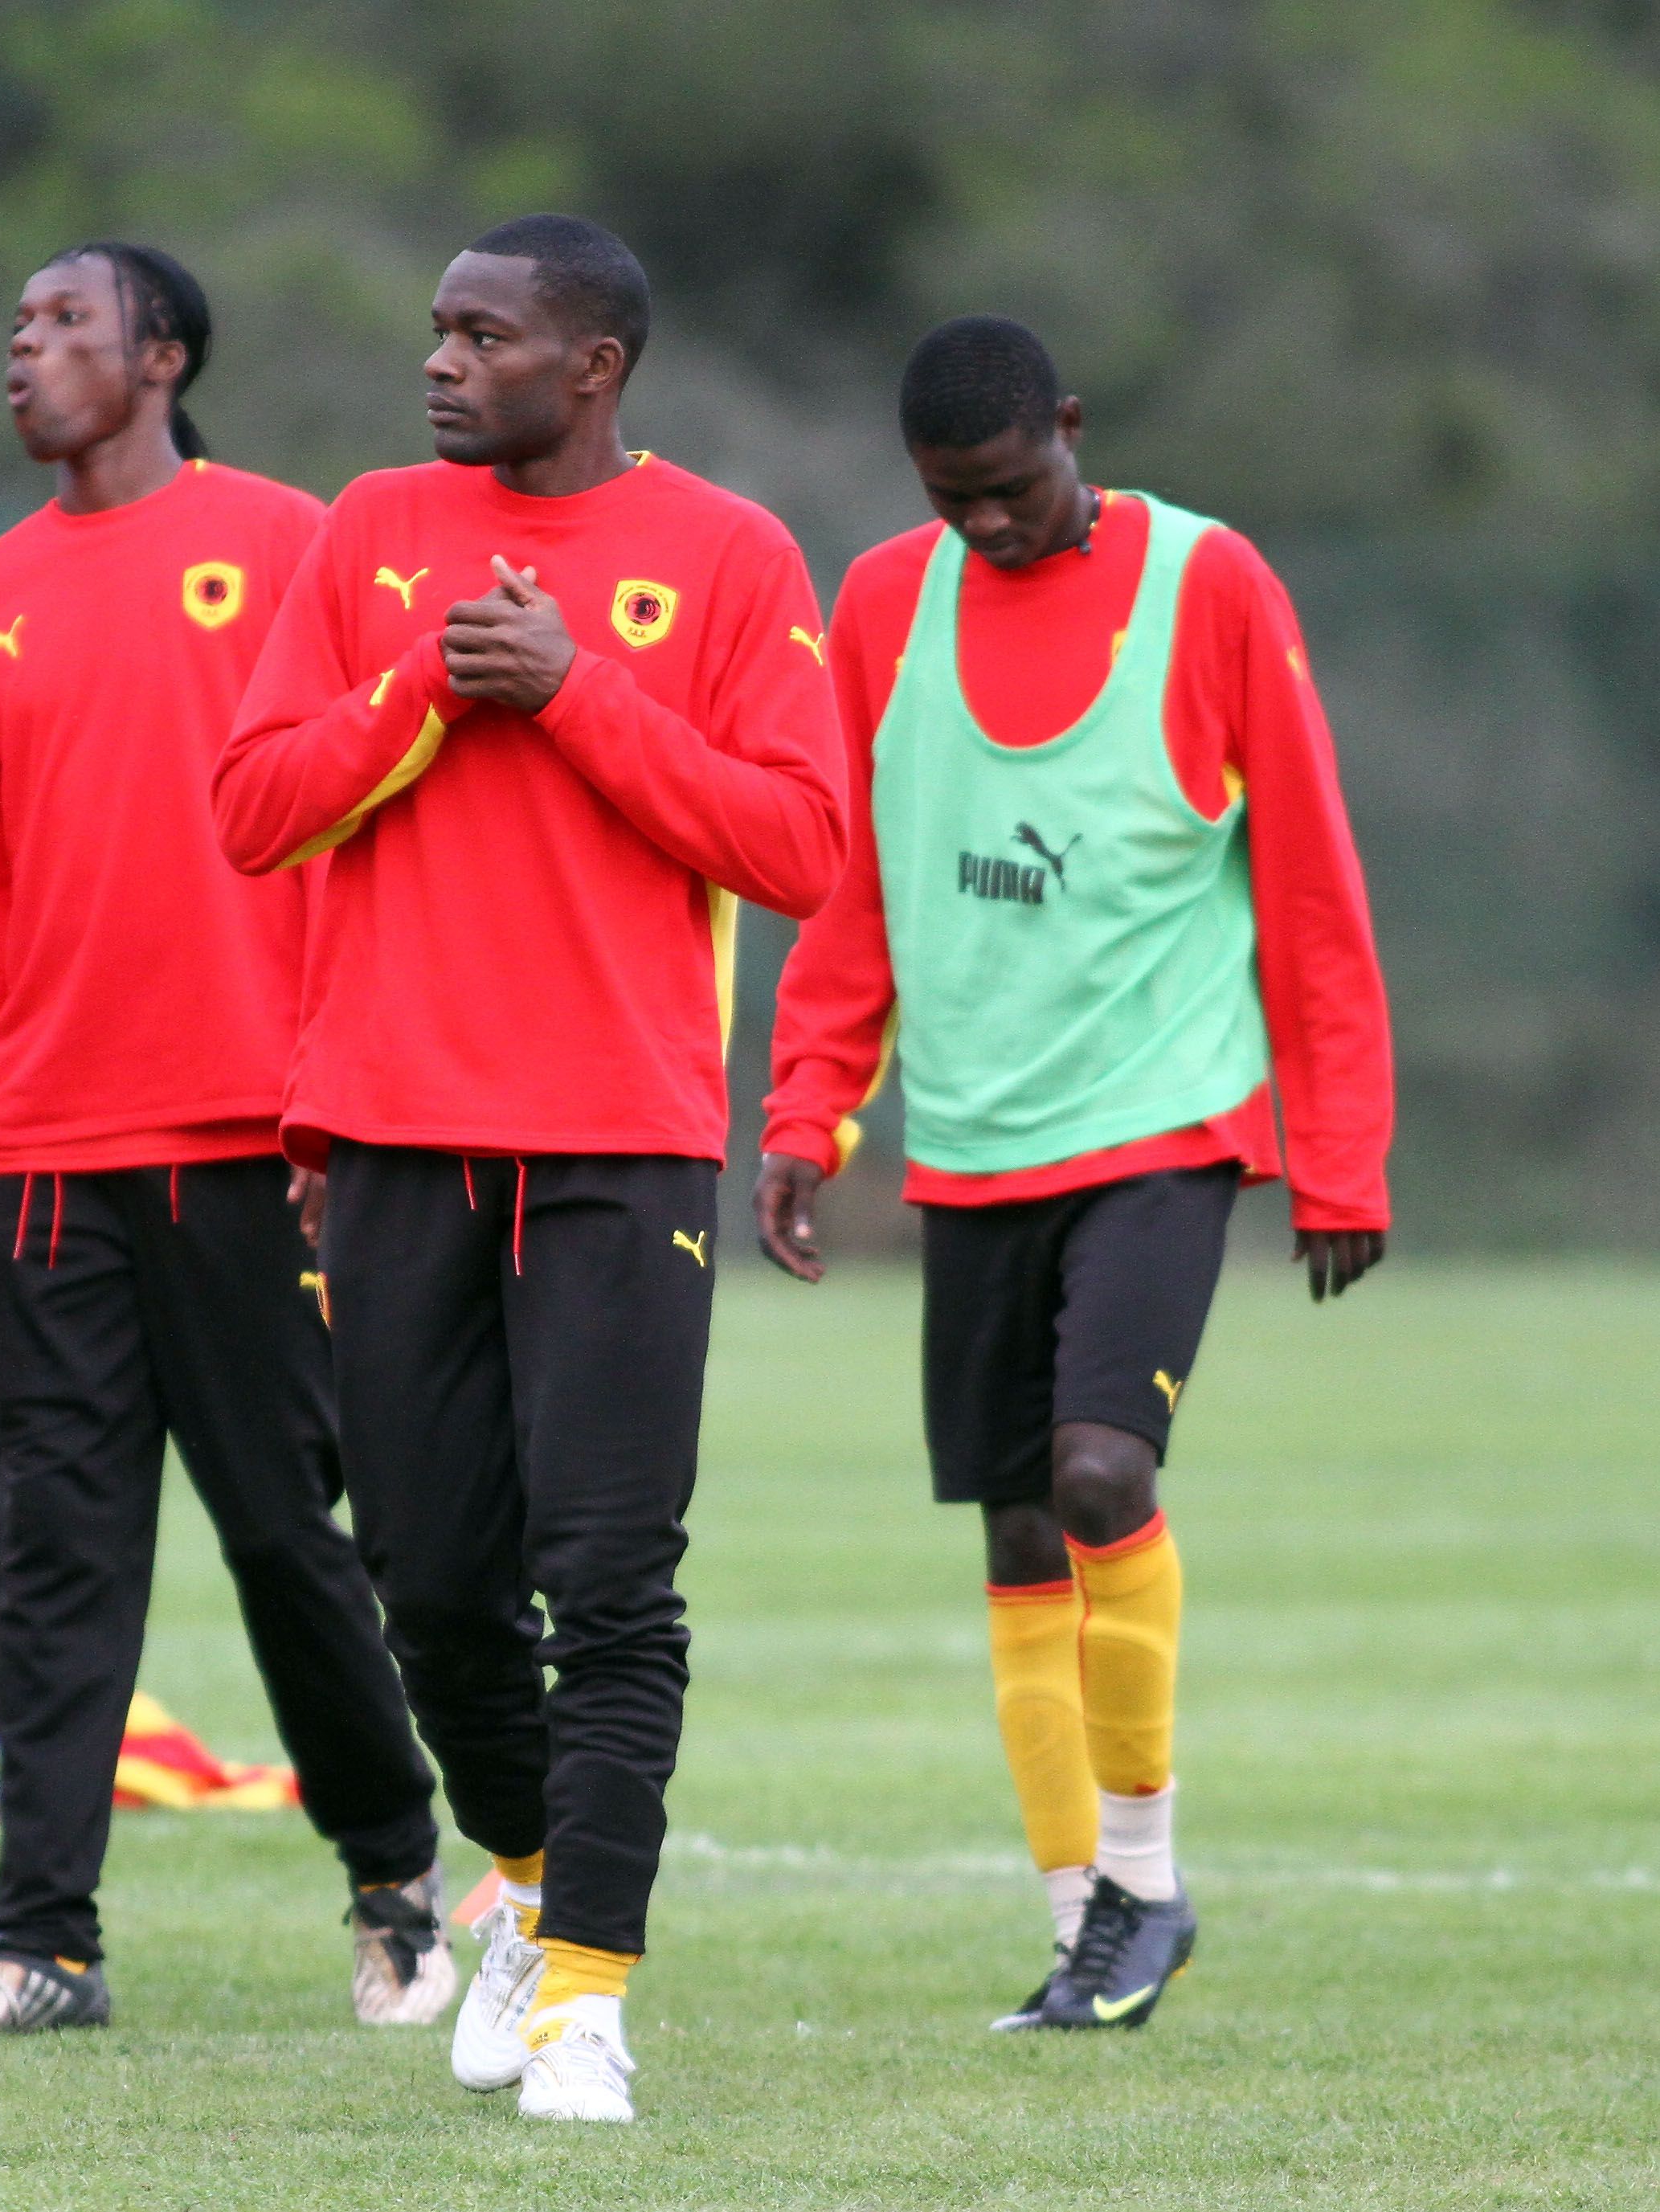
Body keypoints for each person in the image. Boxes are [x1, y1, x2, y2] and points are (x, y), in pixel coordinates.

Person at [215, 215, 848, 2124]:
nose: (439, 360)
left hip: (619, 1145)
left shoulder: (732, 555)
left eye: (481, 335)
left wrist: (577, 690)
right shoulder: (364, 533)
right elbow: (252, 811)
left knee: (612, 1580)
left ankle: (584, 1994)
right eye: (435, 330)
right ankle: (530, 1876)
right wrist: (430, 687)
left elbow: (802, 846)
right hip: (395, 1137)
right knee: (430, 1580)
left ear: (595, 370)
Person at [754, 314, 1393, 2033]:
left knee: (1105, 1472)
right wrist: (808, 1110)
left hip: (1167, 1126)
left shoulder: (1212, 583)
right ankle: (1078, 1924)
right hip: (972, 1142)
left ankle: (1148, 1885)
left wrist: (1338, 1157)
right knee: (1022, 1524)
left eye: (1011, 491)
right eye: (950, 503)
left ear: (1073, 431)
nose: (986, 531)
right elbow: (854, 883)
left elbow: (1314, 877)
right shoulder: (884, 603)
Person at [0, 240, 448, 2040]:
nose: (22, 353)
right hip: (49, 1151)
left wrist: (348, 1093)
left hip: (253, 1137)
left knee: (288, 1533)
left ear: (164, 356)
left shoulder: (291, 541)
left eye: (64, 324)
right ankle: (42, 1938)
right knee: (60, 1548)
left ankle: (395, 1880)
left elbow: (381, 820)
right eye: (15, 323)